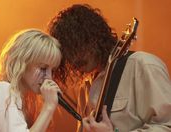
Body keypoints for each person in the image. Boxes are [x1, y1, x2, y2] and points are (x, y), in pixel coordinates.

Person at [47, 4, 171, 132]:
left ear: (93, 38)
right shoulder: (85, 88)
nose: (73, 60)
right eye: (67, 54)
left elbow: (167, 126)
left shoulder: (143, 66)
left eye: (76, 47)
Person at [0, 29, 62, 132]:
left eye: (52, 70)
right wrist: (49, 106)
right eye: (43, 68)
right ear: (23, 63)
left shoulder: (23, 100)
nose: (49, 77)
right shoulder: (2, 90)